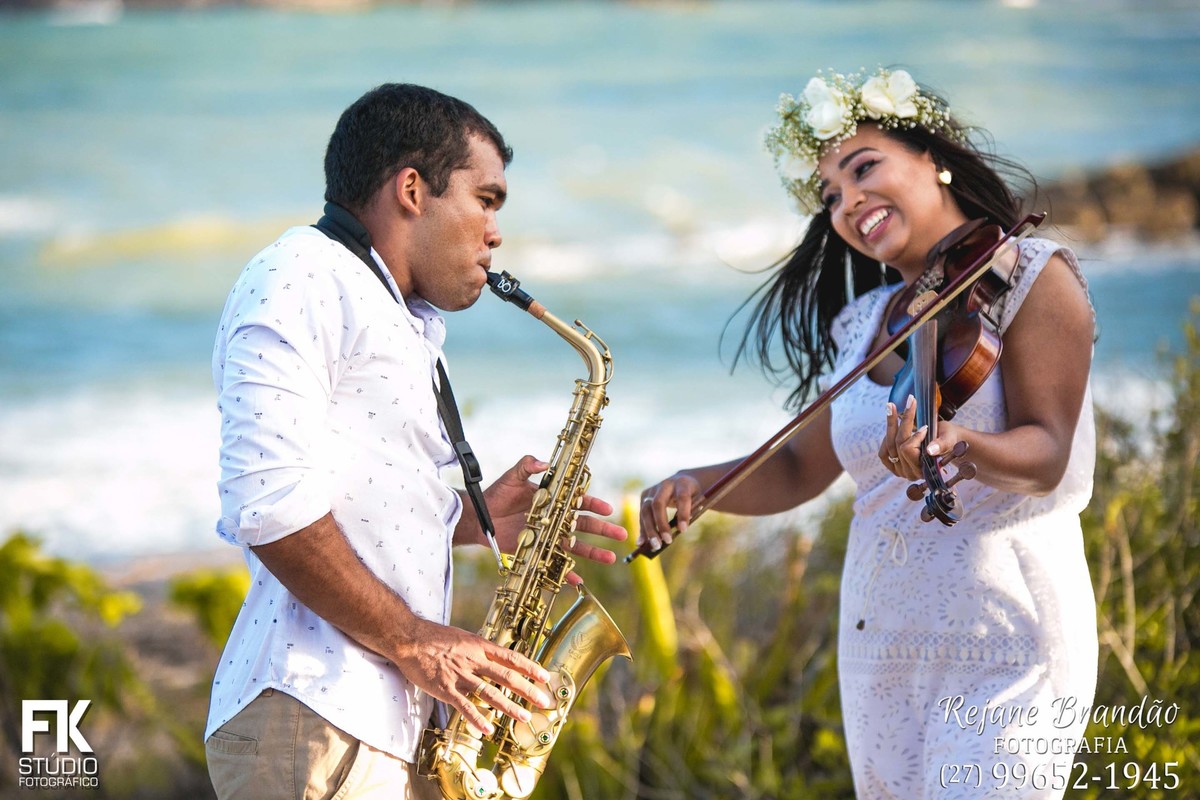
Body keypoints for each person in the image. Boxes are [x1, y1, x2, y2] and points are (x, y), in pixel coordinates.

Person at [639, 68, 1098, 799]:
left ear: (932, 159)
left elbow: (1046, 453)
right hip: (881, 650)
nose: (849, 202)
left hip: (1004, 639)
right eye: (830, 196)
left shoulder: (1031, 275)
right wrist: (703, 486)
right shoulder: (865, 325)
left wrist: (959, 449)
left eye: (863, 169)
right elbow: (797, 468)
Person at [204, 83, 626, 800]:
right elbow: (268, 507)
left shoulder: (398, 312)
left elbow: (347, 490)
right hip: (316, 717)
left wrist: (470, 517)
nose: (495, 234)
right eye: (486, 200)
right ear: (410, 189)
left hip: (370, 726)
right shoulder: (301, 274)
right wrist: (415, 640)